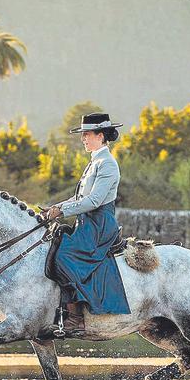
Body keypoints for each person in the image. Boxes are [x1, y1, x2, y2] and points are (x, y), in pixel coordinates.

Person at [44, 113, 131, 336]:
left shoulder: (108, 164)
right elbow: (78, 199)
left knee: (63, 256)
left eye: (87, 135)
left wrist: (61, 211)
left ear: (100, 136)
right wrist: (55, 208)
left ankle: (76, 318)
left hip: (99, 225)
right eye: (82, 135)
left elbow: (93, 201)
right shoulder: (94, 162)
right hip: (87, 223)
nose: (83, 139)